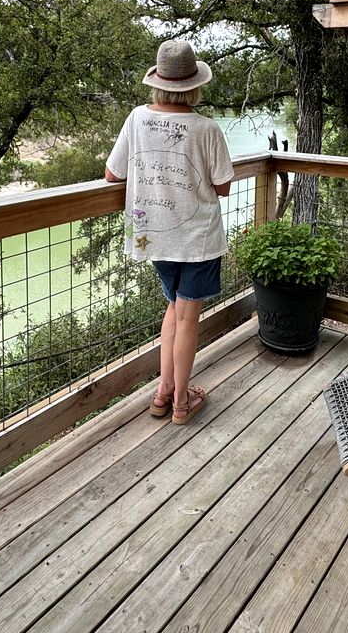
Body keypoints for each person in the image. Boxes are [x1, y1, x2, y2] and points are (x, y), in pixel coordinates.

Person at [105, 40, 233, 425]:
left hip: (153, 235)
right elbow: (223, 185)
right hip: (197, 239)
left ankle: (163, 393)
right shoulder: (206, 128)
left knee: (173, 309)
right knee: (188, 316)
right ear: (194, 85)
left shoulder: (136, 119)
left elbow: (114, 174)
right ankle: (181, 402)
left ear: (157, 82)